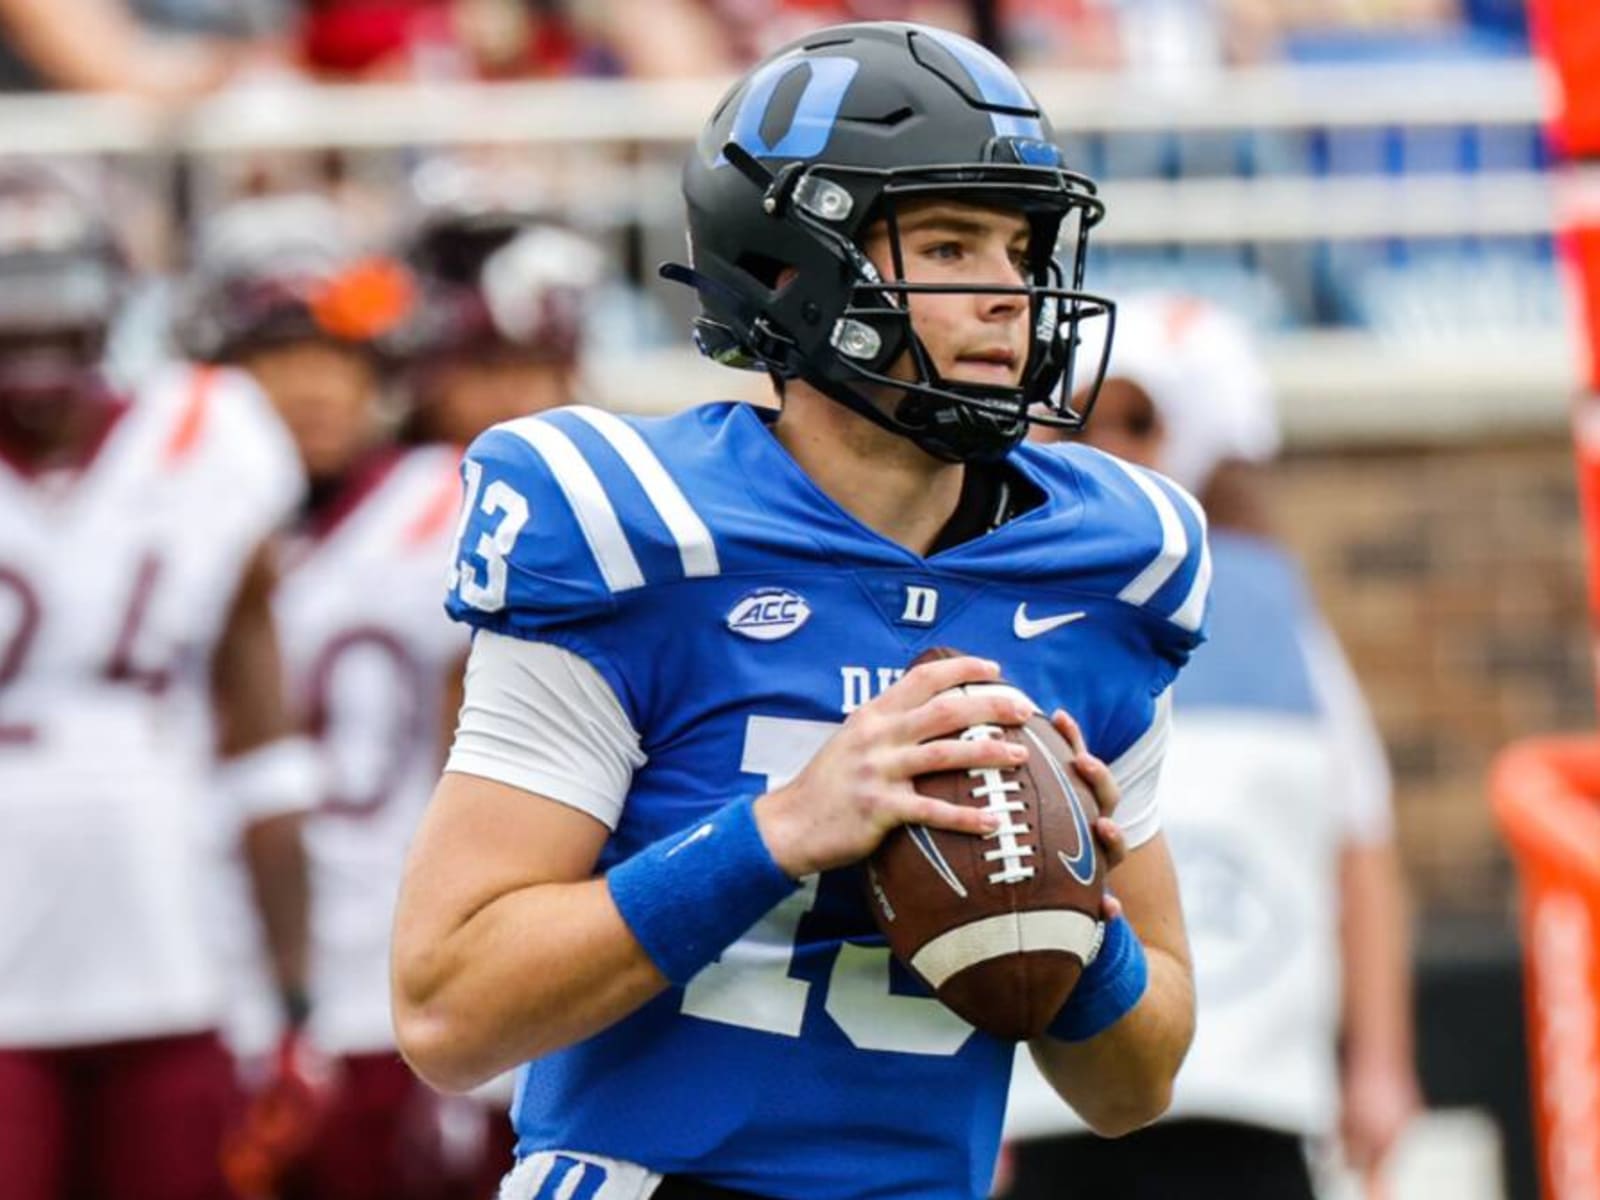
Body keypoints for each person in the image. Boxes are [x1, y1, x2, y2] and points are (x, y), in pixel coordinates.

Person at [391, 22, 1209, 1200]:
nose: (1011, 298)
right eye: (948, 244)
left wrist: (1070, 920)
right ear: (790, 268)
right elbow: (446, 1009)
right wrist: (775, 834)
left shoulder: (1104, 569)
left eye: (1023, 250)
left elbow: (1134, 1091)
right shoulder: (634, 533)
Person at [1004, 293, 1421, 1200]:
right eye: (1085, 417)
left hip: (1252, 1098)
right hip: (1060, 1101)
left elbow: (1362, 849)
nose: (1109, 443)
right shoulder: (1001, 601)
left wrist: (1379, 1065)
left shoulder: (1275, 614)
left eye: (1138, 420)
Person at [0, 159, 312, 1200]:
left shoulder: (208, 433)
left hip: (170, 931)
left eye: (54, 303)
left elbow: (262, 744)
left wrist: (294, 991)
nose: (34, 339)